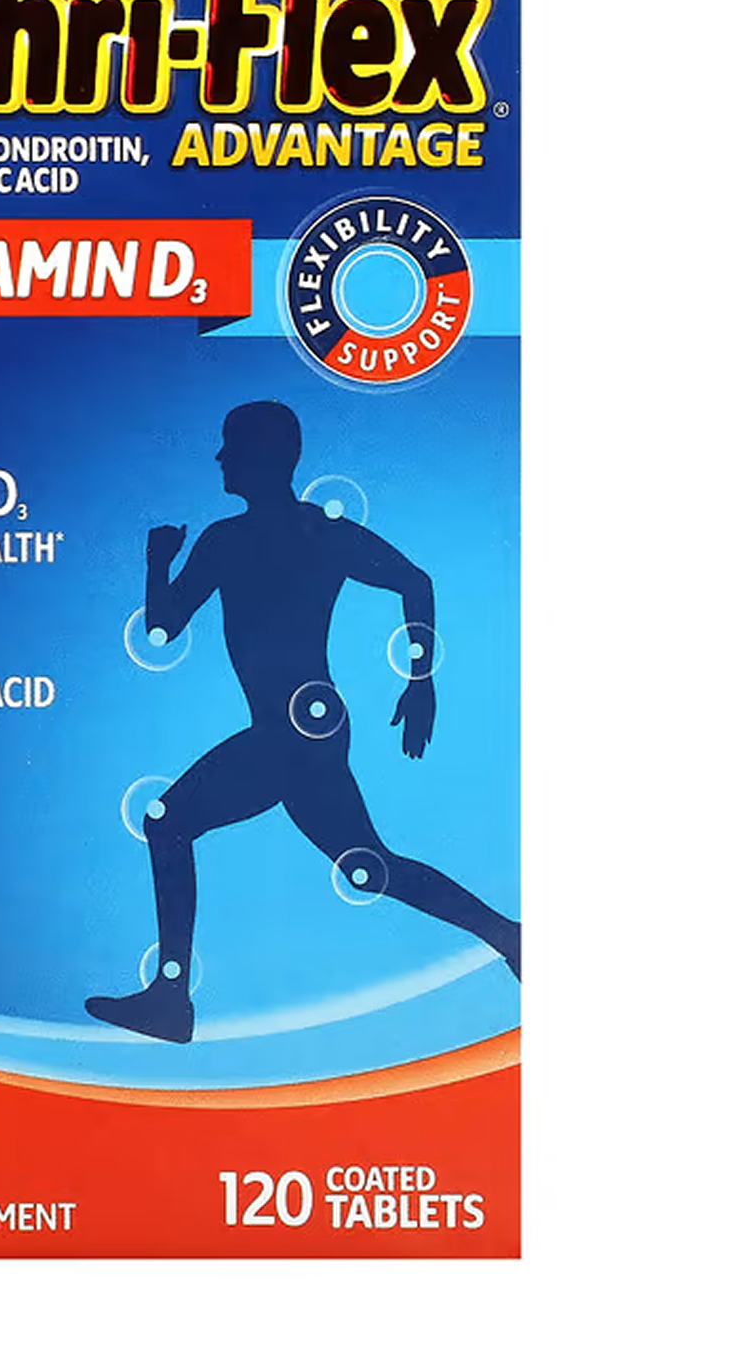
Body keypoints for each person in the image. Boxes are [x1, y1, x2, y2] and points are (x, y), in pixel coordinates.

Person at [86, 401, 520, 1043]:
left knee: (167, 822)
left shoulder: (233, 540)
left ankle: (171, 998)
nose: (220, 458)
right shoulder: (310, 534)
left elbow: (161, 626)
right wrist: (419, 678)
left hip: (286, 733)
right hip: (314, 726)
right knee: (369, 866)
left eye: (230, 446)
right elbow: (415, 582)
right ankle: (511, 937)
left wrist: (157, 560)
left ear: (260, 456)